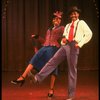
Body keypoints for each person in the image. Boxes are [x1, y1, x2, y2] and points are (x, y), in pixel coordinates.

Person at [30, 6, 93, 100]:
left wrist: (80, 43)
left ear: (78, 14)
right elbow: (64, 38)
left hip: (74, 46)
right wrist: (63, 41)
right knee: (52, 61)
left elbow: (89, 34)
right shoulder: (67, 25)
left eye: (75, 13)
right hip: (66, 46)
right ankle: (37, 78)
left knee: (72, 71)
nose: (73, 15)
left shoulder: (81, 23)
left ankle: (71, 95)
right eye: (72, 14)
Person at [11, 11, 64, 97]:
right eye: (55, 19)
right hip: (45, 47)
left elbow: (65, 36)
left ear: (60, 21)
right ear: (52, 20)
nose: (56, 20)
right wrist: (37, 37)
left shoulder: (62, 28)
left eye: (58, 19)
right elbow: (45, 42)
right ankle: (22, 77)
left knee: (53, 68)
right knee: (34, 58)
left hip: (54, 49)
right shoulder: (49, 30)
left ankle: (51, 89)